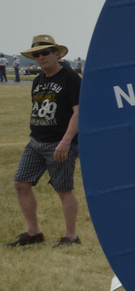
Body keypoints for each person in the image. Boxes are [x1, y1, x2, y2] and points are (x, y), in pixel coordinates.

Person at [9, 34, 82, 247]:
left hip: (59, 143)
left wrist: (66, 141)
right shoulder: (39, 79)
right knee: (21, 183)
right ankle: (33, 232)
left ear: (56, 54)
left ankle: (71, 236)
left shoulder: (70, 78)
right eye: (37, 54)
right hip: (36, 141)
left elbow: (79, 112)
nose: (41, 57)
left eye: (45, 52)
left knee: (63, 188)